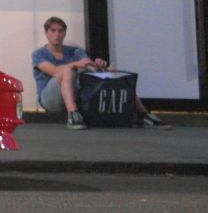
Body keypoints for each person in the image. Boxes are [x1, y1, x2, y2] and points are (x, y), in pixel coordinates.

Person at [32, 16, 169, 130]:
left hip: (76, 95)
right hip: (50, 100)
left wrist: (99, 67)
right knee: (67, 71)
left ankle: (143, 114)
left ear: (65, 33)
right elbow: (53, 71)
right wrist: (75, 64)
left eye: (60, 31)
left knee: (115, 73)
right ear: (46, 33)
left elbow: (89, 70)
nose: (57, 34)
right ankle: (73, 114)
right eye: (53, 30)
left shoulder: (75, 51)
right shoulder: (39, 54)